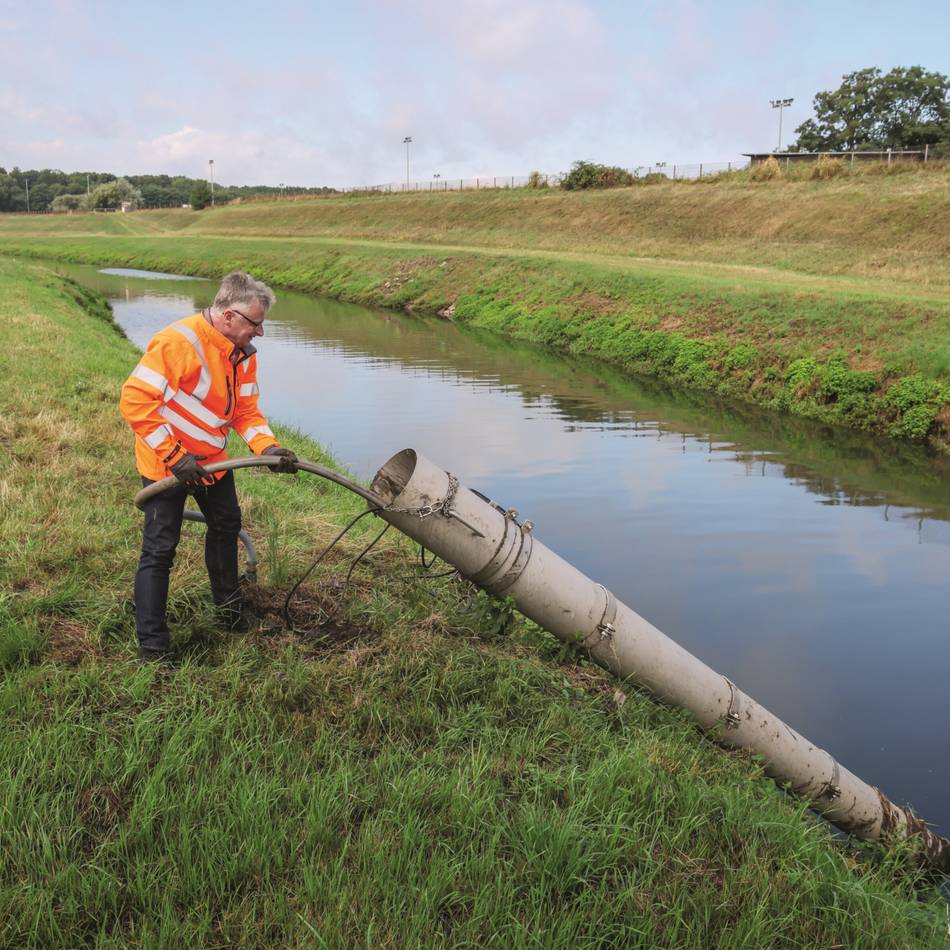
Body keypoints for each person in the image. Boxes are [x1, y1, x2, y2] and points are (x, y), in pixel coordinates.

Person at [119, 271, 297, 663]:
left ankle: (229, 612)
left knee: (226, 526)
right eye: (256, 322)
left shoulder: (242, 354)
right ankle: (153, 645)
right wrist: (175, 456)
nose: (261, 332)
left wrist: (269, 448)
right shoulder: (177, 342)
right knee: (160, 548)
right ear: (229, 316)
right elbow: (135, 400)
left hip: (214, 461)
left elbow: (246, 412)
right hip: (168, 464)